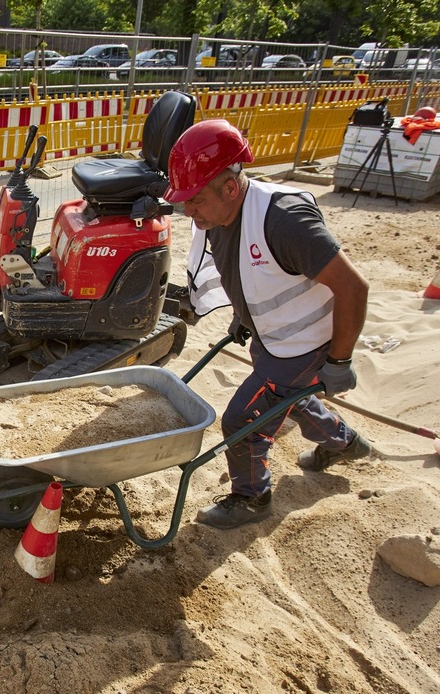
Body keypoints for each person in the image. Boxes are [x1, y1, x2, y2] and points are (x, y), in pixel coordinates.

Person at [168, 119, 372, 530]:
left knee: (242, 420)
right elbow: (250, 271)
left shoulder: (284, 220)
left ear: (230, 186)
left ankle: (251, 498)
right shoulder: (220, 215)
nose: (188, 211)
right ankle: (344, 443)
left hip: (304, 343)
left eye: (196, 200)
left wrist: (339, 361)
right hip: (272, 336)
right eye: (183, 201)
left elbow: (354, 288)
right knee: (288, 397)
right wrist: (244, 319)